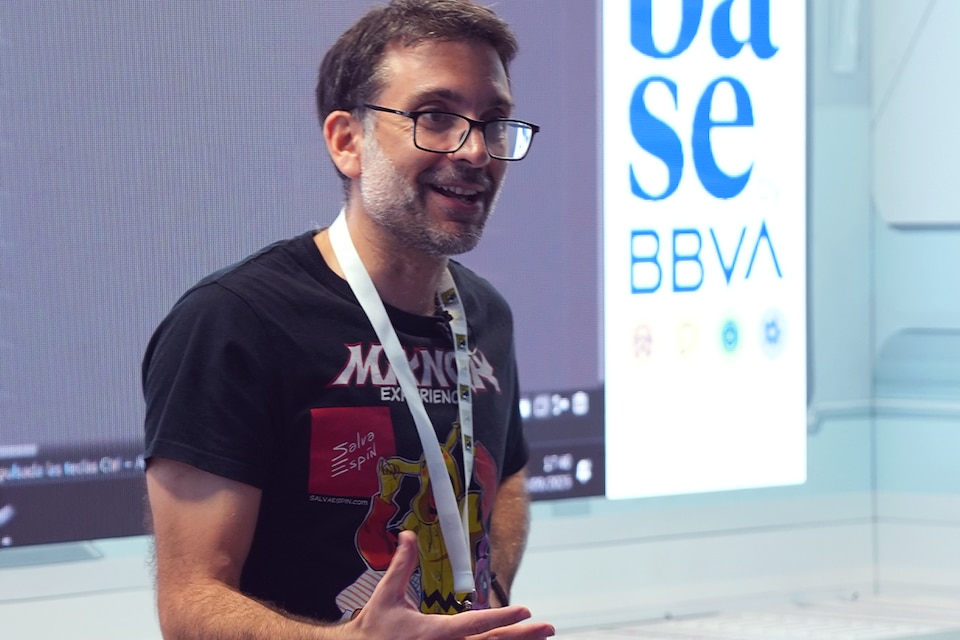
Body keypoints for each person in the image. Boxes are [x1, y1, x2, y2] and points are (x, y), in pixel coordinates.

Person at [141, 0, 553, 638]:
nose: (475, 151)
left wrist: (483, 592)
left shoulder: (483, 314)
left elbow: (510, 476)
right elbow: (190, 601)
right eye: (435, 117)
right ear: (347, 141)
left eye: (494, 122)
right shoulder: (234, 322)